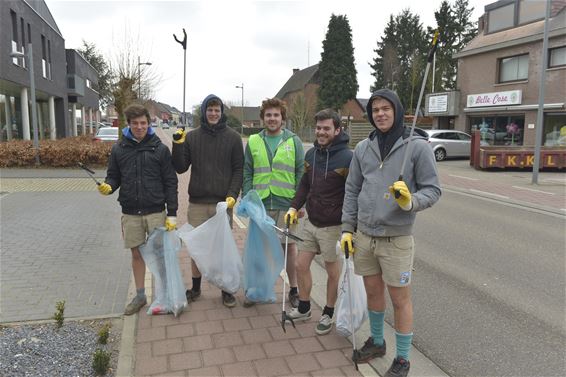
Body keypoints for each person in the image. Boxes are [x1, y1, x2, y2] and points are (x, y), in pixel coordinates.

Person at [340, 89, 441, 377]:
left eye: (386, 108)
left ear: (396, 111)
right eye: (375, 110)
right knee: (373, 293)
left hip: (396, 238)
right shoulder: (363, 148)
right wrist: (348, 228)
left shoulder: (417, 147)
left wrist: (411, 202)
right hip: (365, 236)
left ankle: (403, 359)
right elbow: (352, 189)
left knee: (400, 300)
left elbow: (433, 190)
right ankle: (378, 342)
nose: (380, 114)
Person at [97, 103, 178, 315]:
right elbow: (113, 175)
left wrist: (172, 213)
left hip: (156, 212)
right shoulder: (119, 149)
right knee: (136, 254)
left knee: (160, 256)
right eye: (135, 124)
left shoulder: (160, 149)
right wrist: (109, 186)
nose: (140, 127)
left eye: (143, 123)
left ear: (148, 124)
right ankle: (141, 295)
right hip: (130, 212)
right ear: (129, 124)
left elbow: (170, 182)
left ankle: (166, 294)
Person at [284, 109, 352, 335]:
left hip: (333, 227)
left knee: (333, 272)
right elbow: (304, 184)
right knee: (300, 265)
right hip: (311, 222)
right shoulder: (311, 154)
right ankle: (304, 308)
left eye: (326, 129)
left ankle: (328, 313)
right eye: (319, 128)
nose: (321, 132)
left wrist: (349, 228)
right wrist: (294, 206)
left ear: (337, 130)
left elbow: (353, 193)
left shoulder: (347, 158)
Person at [172, 94, 244, 308]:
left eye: (217, 110)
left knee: (221, 248)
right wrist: (177, 144)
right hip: (197, 203)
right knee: (196, 248)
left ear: (222, 113)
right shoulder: (192, 137)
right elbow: (180, 167)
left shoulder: (232, 137)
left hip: (222, 204)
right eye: (210, 109)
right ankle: (196, 288)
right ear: (203, 112)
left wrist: (232, 194)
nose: (213, 113)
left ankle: (226, 290)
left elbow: (238, 169)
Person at [242, 97, 304, 308]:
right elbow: (248, 172)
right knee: (259, 249)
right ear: (263, 118)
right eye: (268, 115)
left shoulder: (293, 141)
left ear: (282, 117)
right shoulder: (253, 141)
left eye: (276, 115)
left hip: (287, 204)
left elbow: (300, 173)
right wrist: (248, 199)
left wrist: (299, 204)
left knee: (289, 247)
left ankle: (294, 290)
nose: (272, 118)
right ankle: (258, 288)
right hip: (260, 204)